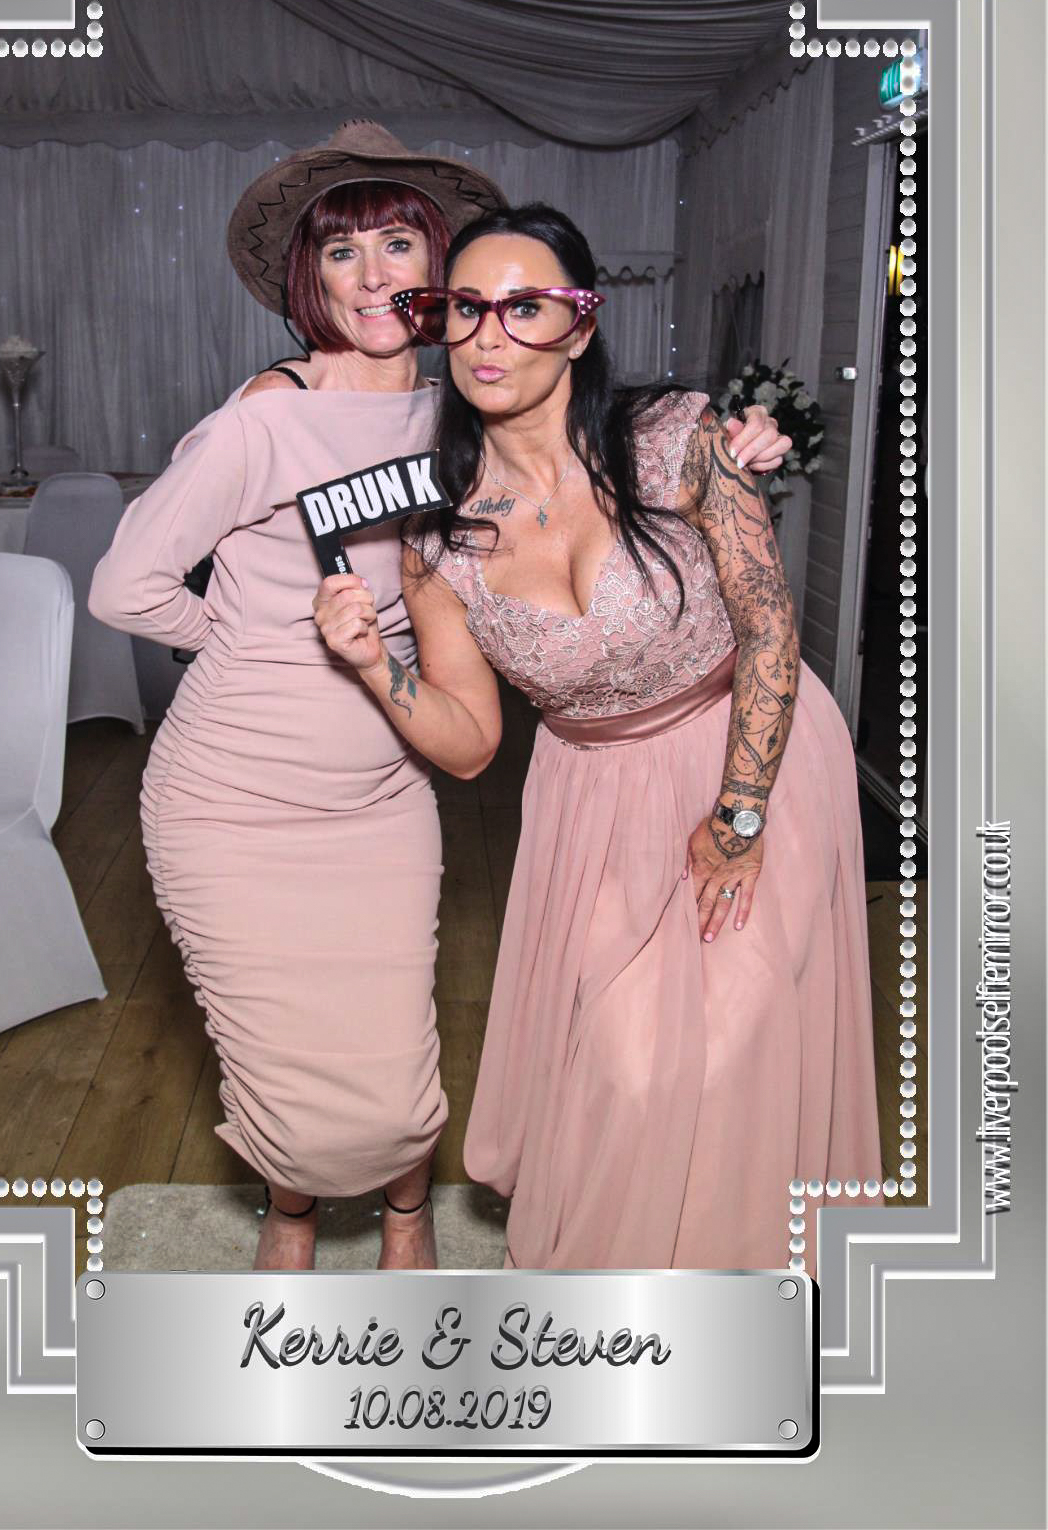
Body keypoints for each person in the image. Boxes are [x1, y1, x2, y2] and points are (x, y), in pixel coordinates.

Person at [89, 124, 790, 1273]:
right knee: (278, 1052)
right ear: (310, 281)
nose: (373, 276)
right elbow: (125, 586)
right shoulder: (264, 417)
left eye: (398, 245)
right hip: (233, 795)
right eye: (342, 253)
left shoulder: (460, 410)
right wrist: (248, 644)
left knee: (393, 1046)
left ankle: (408, 1218)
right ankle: (292, 1213)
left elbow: (583, 463)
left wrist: (727, 448)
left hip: (381, 788)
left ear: (438, 272)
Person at [312, 201, 884, 1278]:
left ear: (580, 326)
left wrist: (740, 815)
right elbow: (470, 742)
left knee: (733, 1046)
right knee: (628, 1063)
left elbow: (769, 626)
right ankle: (615, 1304)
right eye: (464, 308)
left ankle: (737, 1294)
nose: (487, 335)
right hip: (596, 798)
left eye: (523, 307)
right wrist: (373, 666)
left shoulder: (679, 442)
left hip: (753, 750)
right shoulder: (440, 533)